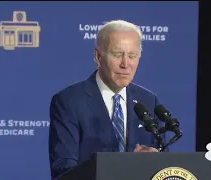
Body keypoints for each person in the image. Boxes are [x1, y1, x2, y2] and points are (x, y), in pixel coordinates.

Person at [48, 19, 168, 179]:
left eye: (132, 55)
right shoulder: (68, 101)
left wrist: (156, 160)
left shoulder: (148, 100)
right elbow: (63, 169)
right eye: (117, 54)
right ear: (98, 57)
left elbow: (165, 163)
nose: (126, 64)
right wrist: (119, 167)